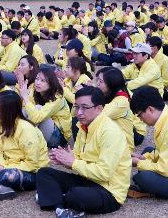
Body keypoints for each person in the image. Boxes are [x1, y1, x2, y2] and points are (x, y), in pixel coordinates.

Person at [36, 86, 131, 217]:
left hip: (109, 191)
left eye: (84, 107)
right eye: (76, 107)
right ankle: (60, 204)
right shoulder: (84, 126)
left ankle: (57, 199)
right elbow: (79, 158)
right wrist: (65, 160)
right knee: (44, 173)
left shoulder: (110, 132)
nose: (79, 112)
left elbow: (104, 173)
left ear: (99, 108)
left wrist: (72, 162)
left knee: (76, 194)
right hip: (87, 180)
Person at [0, 90, 49, 201]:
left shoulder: (26, 130)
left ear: (6, 109)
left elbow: (32, 164)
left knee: (8, 175)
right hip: (7, 165)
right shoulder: (2, 125)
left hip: (31, 172)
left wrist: (4, 167)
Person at [19, 68, 72, 148]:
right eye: (37, 79)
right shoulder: (35, 90)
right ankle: (20, 138)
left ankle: (27, 141)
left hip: (58, 137)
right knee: (24, 110)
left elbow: (36, 118)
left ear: (51, 83)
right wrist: (23, 96)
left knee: (37, 108)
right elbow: (25, 109)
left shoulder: (57, 97)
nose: (38, 83)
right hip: (45, 129)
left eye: (43, 81)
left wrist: (25, 98)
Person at [96, 67, 136, 152]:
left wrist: (89, 95)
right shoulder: (111, 93)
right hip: (114, 138)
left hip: (123, 147)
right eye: (97, 80)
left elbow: (97, 115)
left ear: (111, 84)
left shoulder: (121, 101)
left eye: (101, 81)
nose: (97, 84)